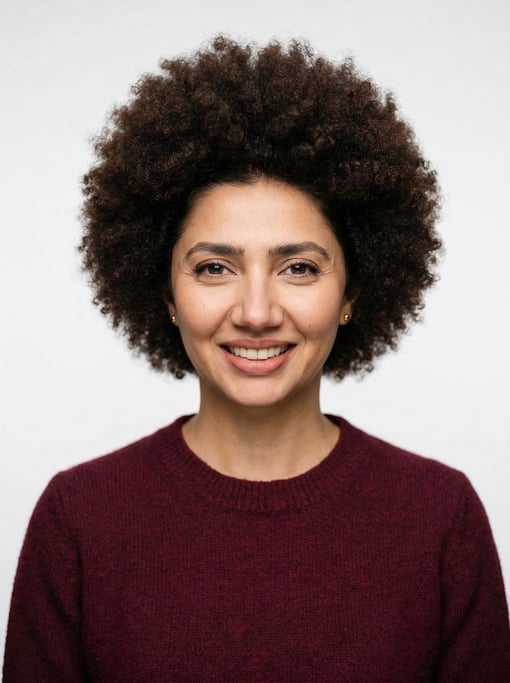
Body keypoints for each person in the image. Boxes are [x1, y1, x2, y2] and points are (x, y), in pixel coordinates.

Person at [4, 35, 510, 681]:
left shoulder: (439, 513)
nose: (256, 310)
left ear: (352, 293)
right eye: (214, 267)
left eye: (298, 267)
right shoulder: (80, 515)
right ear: (165, 294)